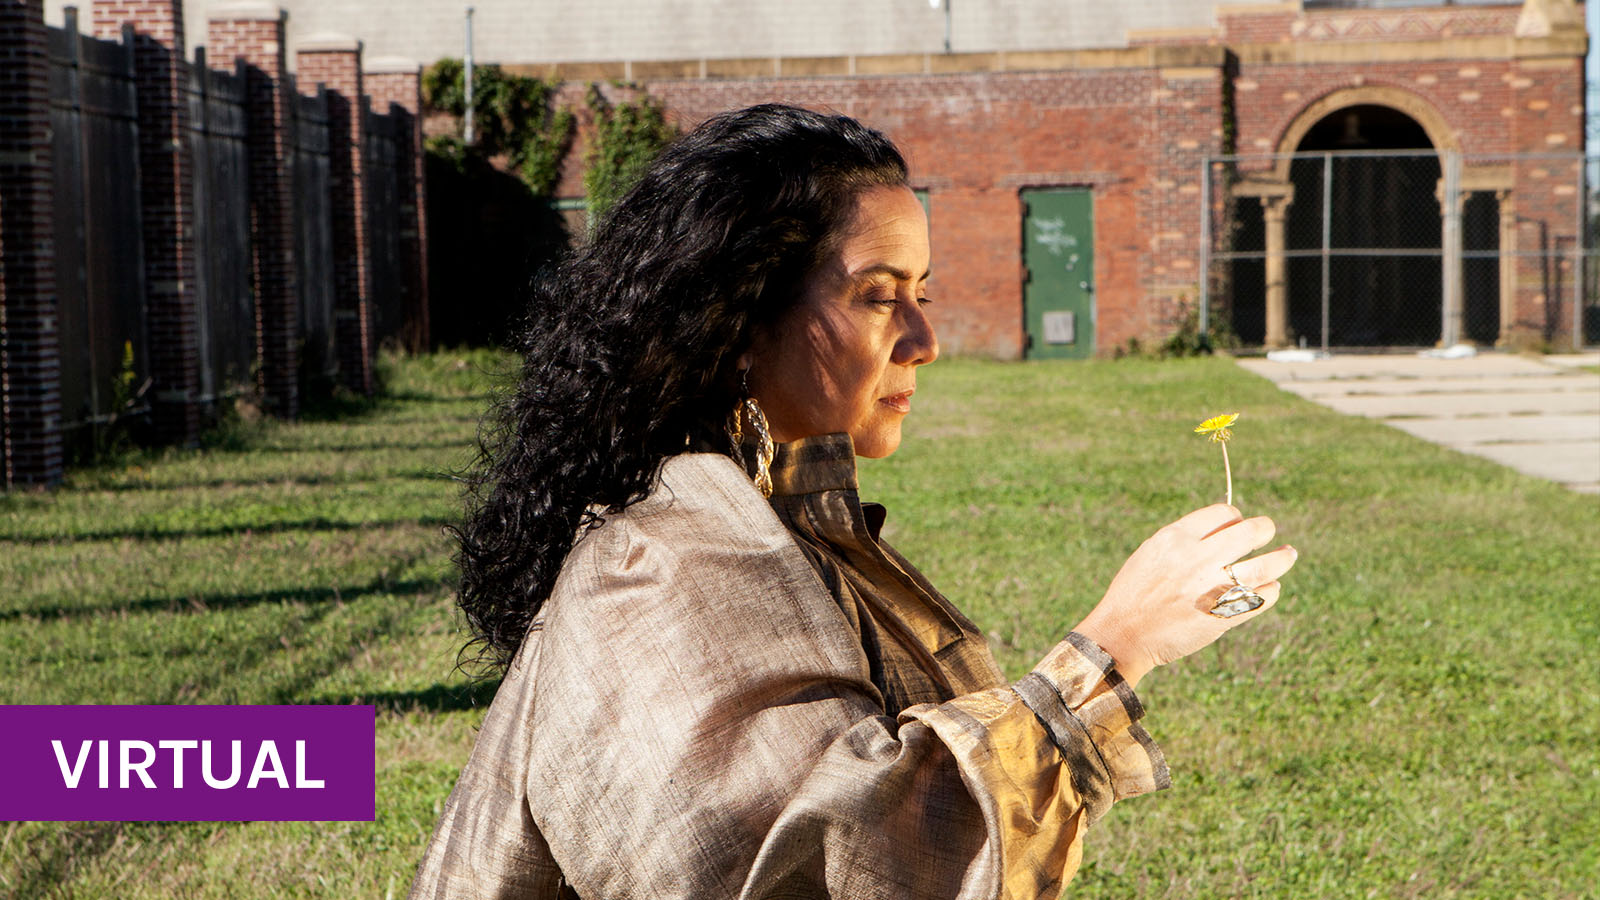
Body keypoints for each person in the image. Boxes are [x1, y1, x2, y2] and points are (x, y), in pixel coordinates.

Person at [409, 103, 1297, 899]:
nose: (925, 340)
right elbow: (830, 867)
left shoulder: (770, 513)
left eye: (924, 293)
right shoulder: (664, 561)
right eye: (879, 297)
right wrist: (1119, 643)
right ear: (741, 321)